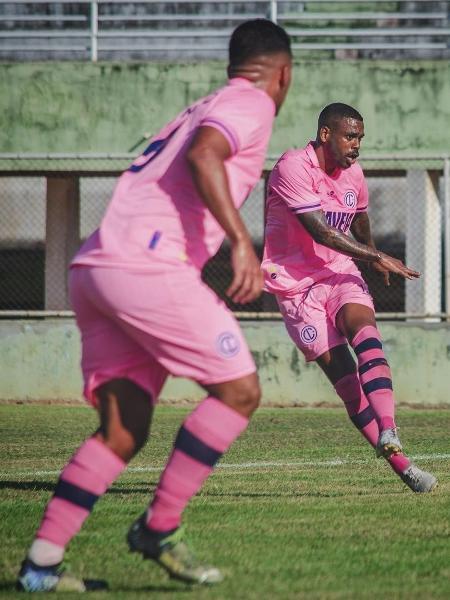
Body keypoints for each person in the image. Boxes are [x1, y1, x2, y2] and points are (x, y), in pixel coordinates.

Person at [17, 19, 293, 592]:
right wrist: (242, 241)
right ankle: (158, 527)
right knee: (240, 390)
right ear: (283, 74)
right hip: (146, 267)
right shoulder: (251, 101)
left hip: (96, 268)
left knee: (123, 430)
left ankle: (41, 567)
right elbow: (205, 155)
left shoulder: (206, 101)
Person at [262, 103, 437, 494]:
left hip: (340, 270)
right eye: (350, 136)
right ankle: (404, 468)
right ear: (326, 134)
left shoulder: (353, 173)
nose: (357, 145)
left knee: (366, 334)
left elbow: (358, 216)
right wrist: (379, 255)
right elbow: (322, 231)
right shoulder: (292, 167)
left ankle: (389, 427)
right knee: (346, 382)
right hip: (296, 286)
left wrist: (371, 255)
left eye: (360, 138)